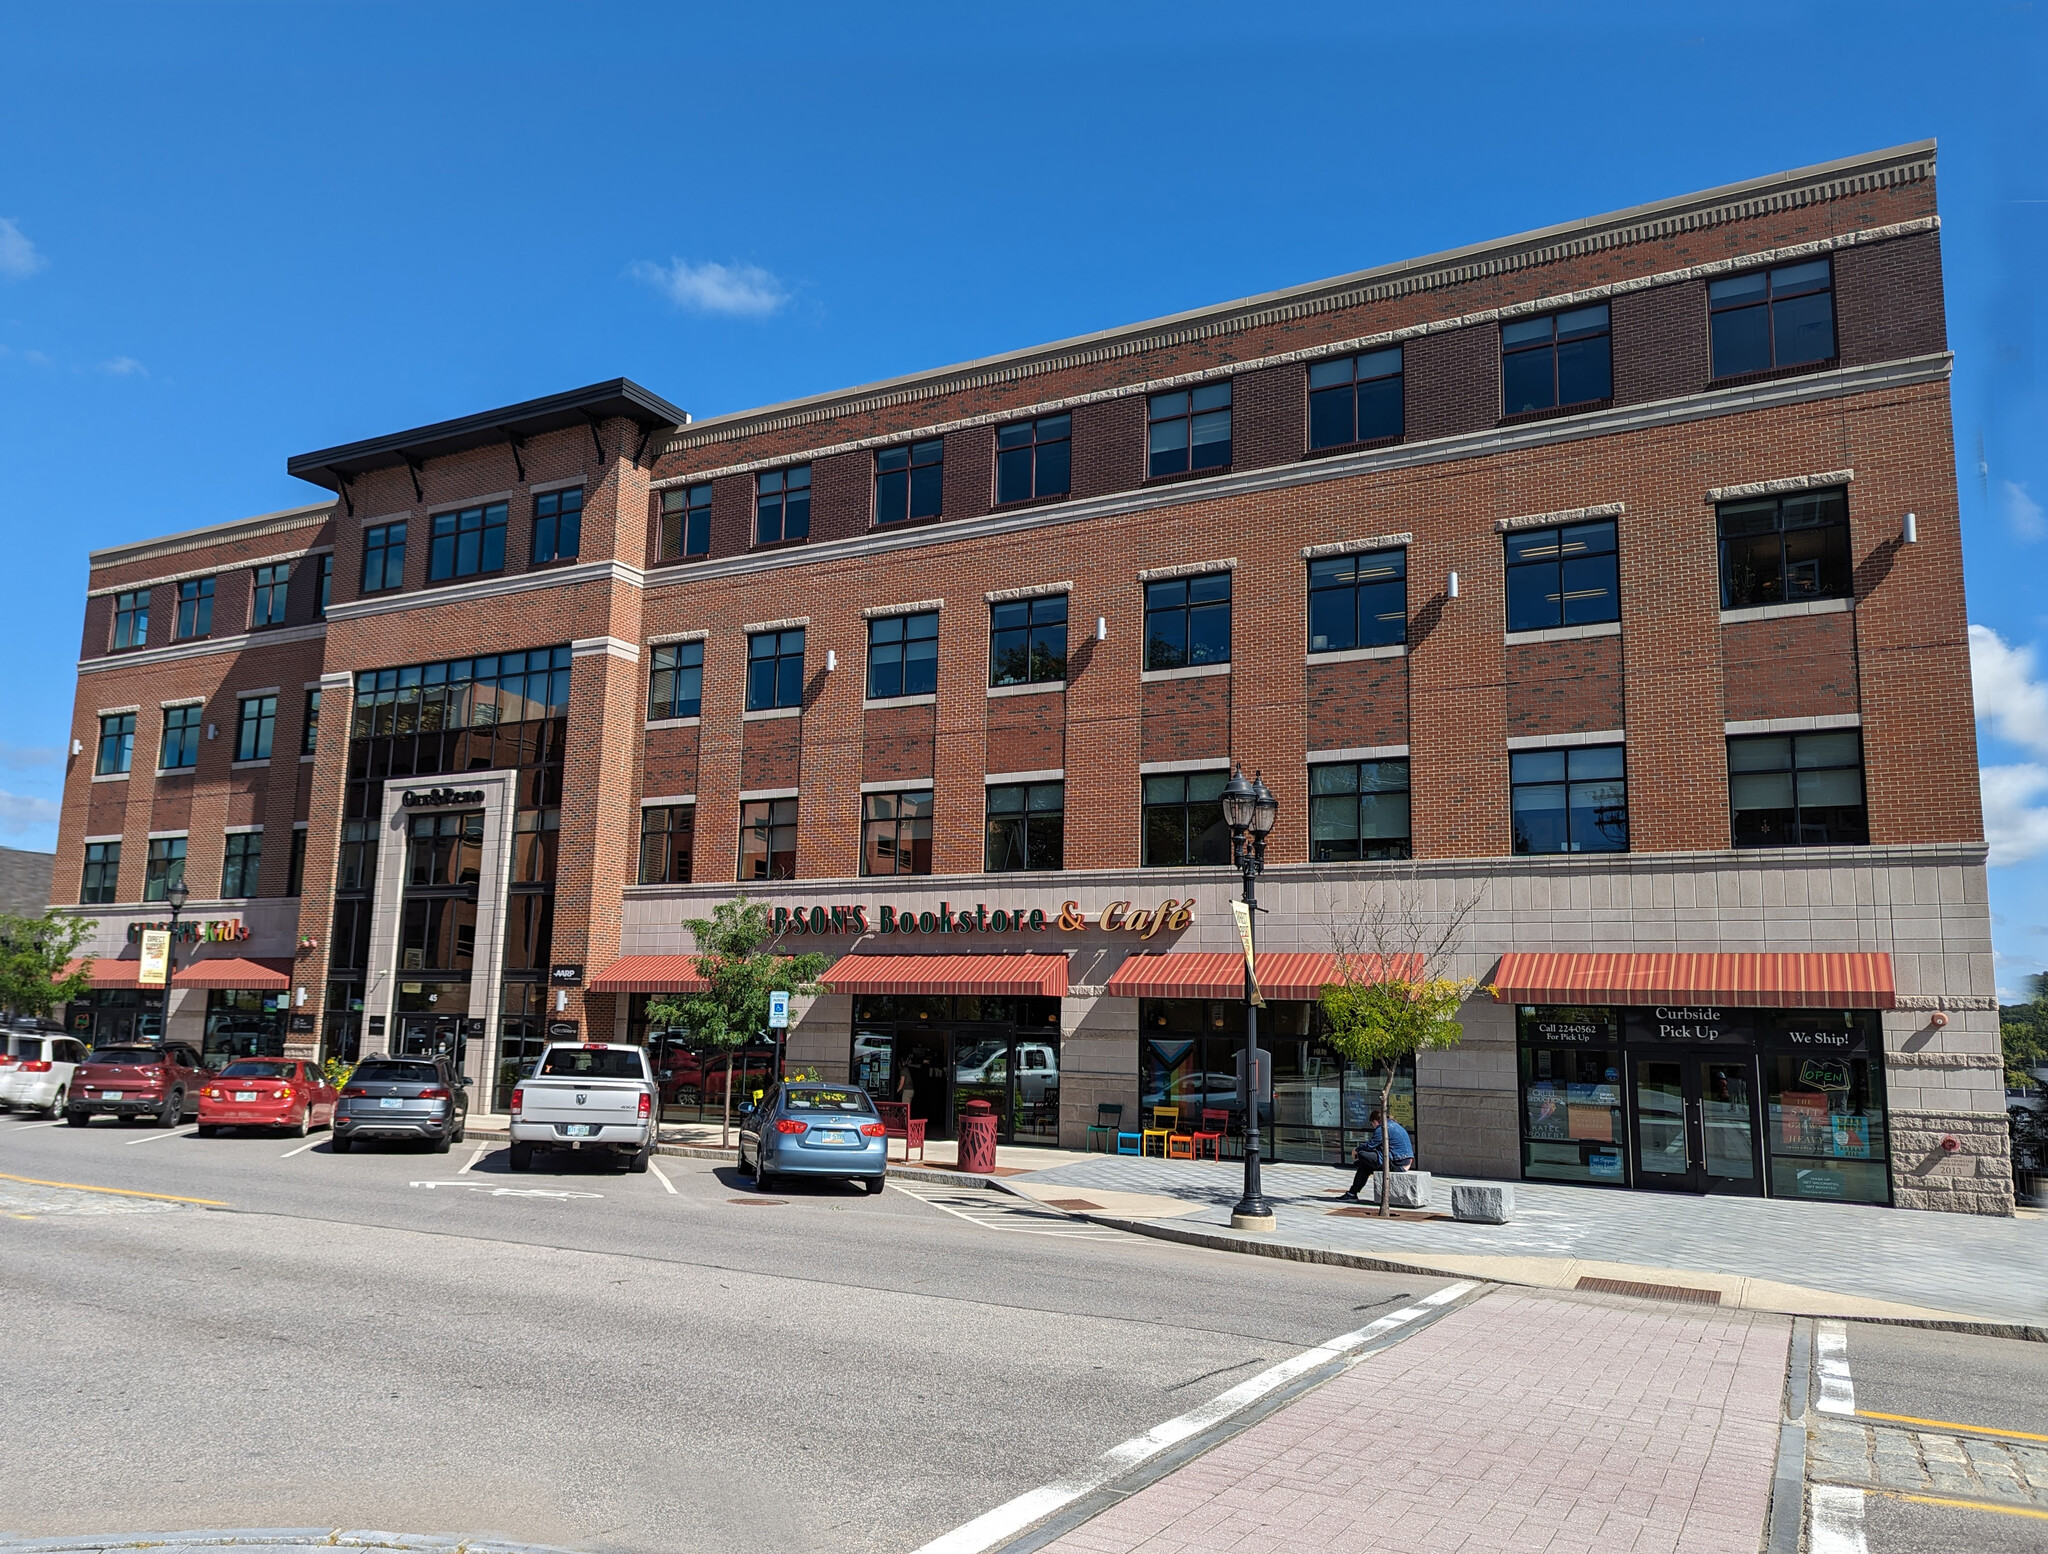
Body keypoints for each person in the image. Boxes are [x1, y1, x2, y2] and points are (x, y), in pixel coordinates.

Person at [1339, 1109, 1414, 1200]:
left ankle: (1352, 1193)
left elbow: (1370, 1145)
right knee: (1365, 1165)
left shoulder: (1383, 1128)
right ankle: (1352, 1193)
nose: (1373, 1126)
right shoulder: (1394, 1125)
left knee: (1362, 1154)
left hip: (1397, 1163)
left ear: (1375, 1121)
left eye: (1372, 1124)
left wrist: (1356, 1150)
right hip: (1403, 1161)